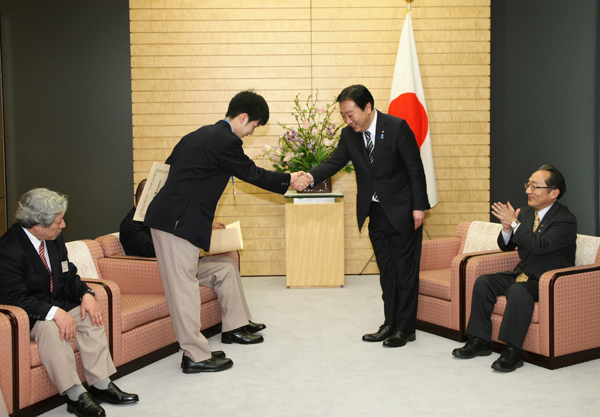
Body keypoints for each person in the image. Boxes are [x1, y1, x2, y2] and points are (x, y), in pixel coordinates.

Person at [144, 90, 309, 374]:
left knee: (184, 285)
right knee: (184, 290)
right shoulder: (226, 141)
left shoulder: (198, 135)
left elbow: (173, 173)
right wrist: (289, 179)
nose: (249, 133)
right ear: (243, 117)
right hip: (177, 224)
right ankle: (195, 356)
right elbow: (252, 174)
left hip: (171, 219)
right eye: (253, 127)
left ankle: (199, 348)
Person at [304, 84, 430, 348]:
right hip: (375, 213)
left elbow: (415, 169)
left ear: (368, 107)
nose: (348, 121)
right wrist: (310, 177)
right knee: (386, 273)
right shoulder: (349, 136)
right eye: (344, 116)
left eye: (351, 114)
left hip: (404, 211)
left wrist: (419, 206)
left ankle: (406, 328)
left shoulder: (397, 127)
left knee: (405, 273)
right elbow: (334, 161)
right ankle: (390, 324)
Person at [0, 188, 138, 417]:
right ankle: (75, 396)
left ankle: (101, 385)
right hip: (30, 315)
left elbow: (68, 274)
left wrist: (85, 294)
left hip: (57, 304)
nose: (63, 225)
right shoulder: (8, 251)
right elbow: (13, 298)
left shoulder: (53, 239)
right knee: (50, 330)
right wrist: (54, 313)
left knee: (90, 316)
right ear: (37, 225)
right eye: (58, 221)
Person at [453, 165, 577, 372]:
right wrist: (507, 228)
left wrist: (515, 223)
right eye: (528, 185)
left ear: (554, 192)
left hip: (547, 280)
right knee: (484, 282)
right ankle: (480, 340)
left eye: (535, 186)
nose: (528, 190)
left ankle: (513, 351)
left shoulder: (565, 219)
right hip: (523, 273)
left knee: (517, 291)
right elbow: (507, 246)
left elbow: (540, 246)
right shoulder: (528, 214)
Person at [119, 179, 266, 340]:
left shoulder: (160, 217)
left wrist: (206, 229)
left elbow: (182, 229)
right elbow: (150, 249)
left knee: (228, 264)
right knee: (224, 269)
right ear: (142, 199)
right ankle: (234, 329)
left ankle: (240, 322)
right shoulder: (130, 225)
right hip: (162, 270)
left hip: (182, 261)